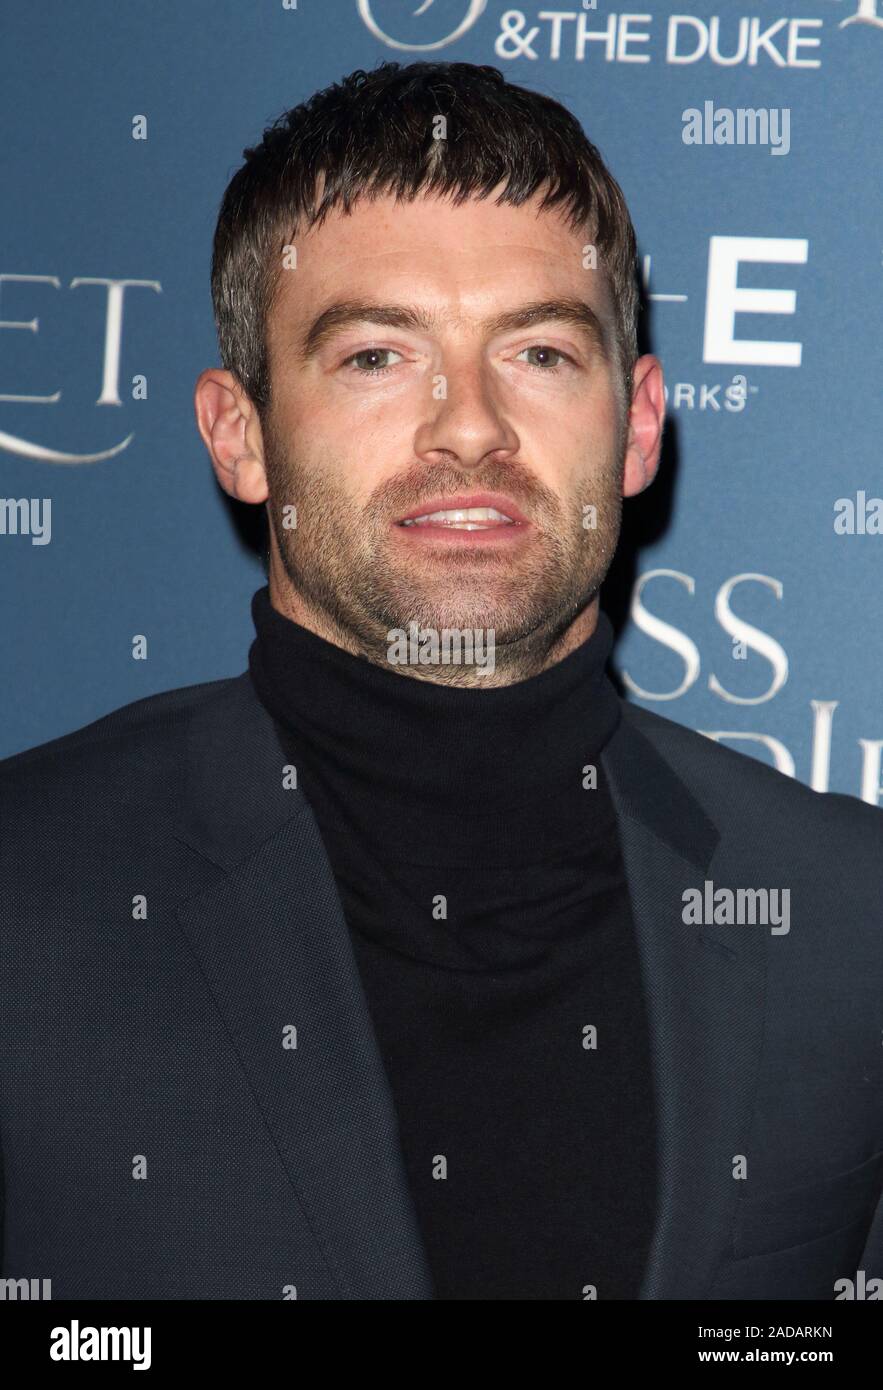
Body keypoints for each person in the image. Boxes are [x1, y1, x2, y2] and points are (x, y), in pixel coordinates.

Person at [2, 62, 881, 1302]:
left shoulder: (848, 918)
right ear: (240, 435)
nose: (466, 426)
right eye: (373, 355)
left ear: (634, 429)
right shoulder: (26, 901)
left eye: (535, 351)